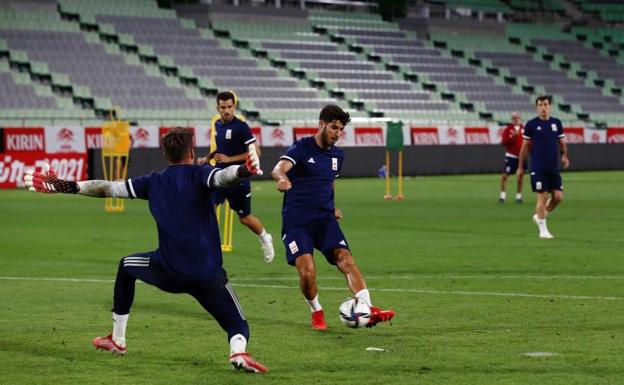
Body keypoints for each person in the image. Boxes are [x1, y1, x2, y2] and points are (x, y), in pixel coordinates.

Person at [23, 128, 267, 373]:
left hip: (168, 270)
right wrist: (244, 170)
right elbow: (222, 177)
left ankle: (118, 339)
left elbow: (107, 188)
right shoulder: (200, 174)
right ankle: (237, 352)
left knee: (127, 266)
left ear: (164, 154)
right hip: (207, 275)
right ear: (192, 152)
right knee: (238, 325)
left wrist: (65, 186)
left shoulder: (152, 182)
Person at [270, 104, 395, 330]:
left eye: (340, 130)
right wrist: (282, 179)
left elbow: (330, 180)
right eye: (334, 128)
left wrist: (332, 206)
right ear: (321, 124)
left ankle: (367, 309)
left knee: (345, 259)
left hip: (324, 219)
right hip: (297, 221)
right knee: (307, 272)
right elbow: (279, 167)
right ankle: (316, 310)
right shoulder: (302, 147)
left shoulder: (338, 155)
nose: (337, 134)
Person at [202, 91, 274, 263]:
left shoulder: (241, 127)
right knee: (207, 208)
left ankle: (265, 237)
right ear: (217, 108)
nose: (226, 110)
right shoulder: (218, 125)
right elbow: (222, 148)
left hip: (238, 179)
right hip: (219, 177)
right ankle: (208, 247)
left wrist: (230, 159)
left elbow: (256, 152)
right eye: (223, 107)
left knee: (245, 218)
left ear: (234, 107)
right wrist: (210, 156)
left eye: (229, 107)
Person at [517, 96, 570, 239]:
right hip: (538, 167)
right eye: (540, 105)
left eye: (545, 104)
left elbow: (561, 142)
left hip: (553, 166)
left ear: (550, 106)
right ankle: (543, 230)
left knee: (558, 197)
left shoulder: (556, 123)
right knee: (542, 196)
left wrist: (564, 156)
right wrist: (520, 166)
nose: (543, 107)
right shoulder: (531, 125)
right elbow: (524, 147)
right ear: (537, 107)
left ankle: (539, 215)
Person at [499, 112, 526, 203]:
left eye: (517, 117)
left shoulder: (524, 129)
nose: (516, 119)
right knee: (504, 176)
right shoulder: (508, 129)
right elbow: (503, 142)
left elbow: (529, 143)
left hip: (521, 157)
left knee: (520, 177)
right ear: (512, 119)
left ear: (520, 118)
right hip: (511, 156)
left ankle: (518, 196)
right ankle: (502, 196)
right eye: (514, 118)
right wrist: (512, 136)